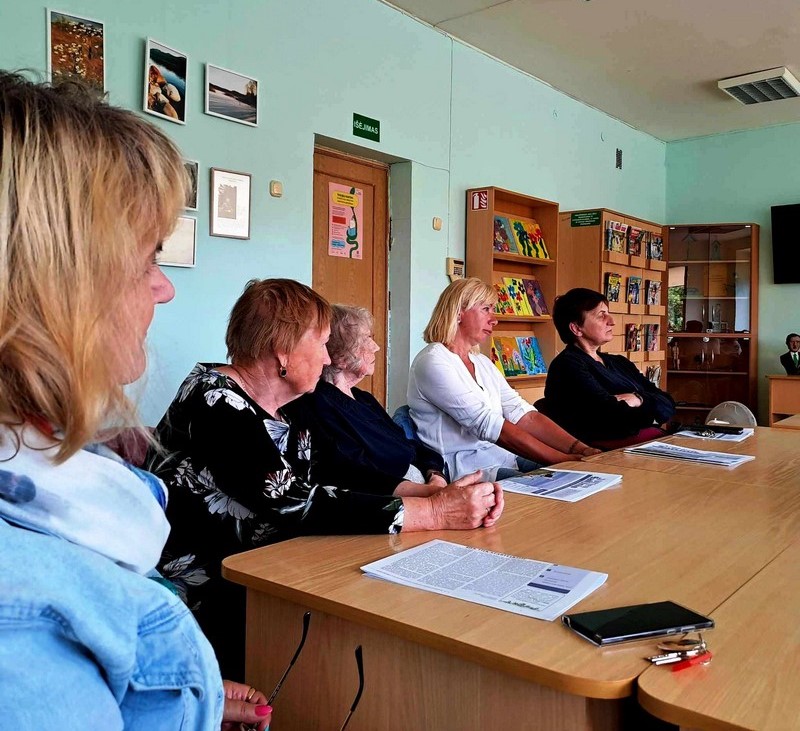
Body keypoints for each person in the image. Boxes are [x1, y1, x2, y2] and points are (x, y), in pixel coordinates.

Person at [0, 72, 270, 730]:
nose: (164, 288)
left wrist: (174, 692)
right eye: (150, 257)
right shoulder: (22, 635)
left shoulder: (48, 477)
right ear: (54, 281)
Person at [147, 278, 504, 680]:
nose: (327, 356)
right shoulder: (216, 401)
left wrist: (428, 491)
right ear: (282, 351)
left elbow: (335, 470)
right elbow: (294, 503)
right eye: (320, 343)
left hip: (279, 569)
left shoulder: (288, 405)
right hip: (221, 590)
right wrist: (434, 513)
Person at [407, 278, 598, 482]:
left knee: (586, 478)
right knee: (565, 481)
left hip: (505, 459)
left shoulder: (482, 362)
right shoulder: (433, 361)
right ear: (459, 312)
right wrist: (564, 461)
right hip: (468, 470)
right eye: (486, 309)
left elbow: (524, 415)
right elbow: (486, 424)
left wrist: (580, 449)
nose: (494, 319)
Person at [285, 304, 448, 493]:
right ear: (339, 357)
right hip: (398, 498)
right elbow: (358, 472)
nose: (376, 347)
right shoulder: (318, 403)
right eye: (366, 339)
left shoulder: (364, 399)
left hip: (427, 486)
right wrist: (430, 494)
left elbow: (410, 446)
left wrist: (436, 475)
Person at [538, 288, 675, 448]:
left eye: (608, 313)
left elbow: (668, 403)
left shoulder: (619, 362)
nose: (612, 321)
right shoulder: (568, 365)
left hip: (642, 444)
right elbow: (611, 417)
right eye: (601, 315)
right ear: (576, 328)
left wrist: (638, 399)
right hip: (605, 452)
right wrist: (652, 410)